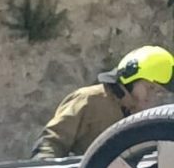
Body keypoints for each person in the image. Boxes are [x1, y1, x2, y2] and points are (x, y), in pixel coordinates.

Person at [32, 45, 174, 159]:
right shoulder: (89, 100)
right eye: (149, 87)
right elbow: (51, 142)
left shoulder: (145, 117)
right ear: (130, 78)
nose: (152, 96)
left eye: (158, 91)